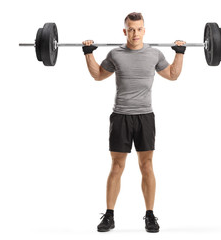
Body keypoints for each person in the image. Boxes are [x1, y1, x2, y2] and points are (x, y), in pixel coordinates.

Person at [82, 12, 185, 233]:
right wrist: (88, 53)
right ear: (124, 31)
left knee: (146, 166)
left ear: (144, 30)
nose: (135, 33)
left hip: (145, 116)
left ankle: (150, 216)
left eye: (139, 29)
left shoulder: (154, 54)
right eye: (131, 29)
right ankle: (109, 216)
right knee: (117, 166)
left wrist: (180, 52)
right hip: (121, 116)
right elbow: (99, 75)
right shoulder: (115, 54)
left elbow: (173, 75)